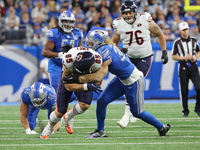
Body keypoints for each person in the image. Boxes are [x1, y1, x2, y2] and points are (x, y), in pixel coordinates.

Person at [63, 27, 171, 138]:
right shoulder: (104, 48)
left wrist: (76, 79)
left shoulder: (104, 51)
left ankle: (162, 127)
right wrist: (72, 50)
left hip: (134, 81)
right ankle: (100, 131)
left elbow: (99, 76)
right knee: (101, 102)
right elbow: (86, 53)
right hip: (121, 79)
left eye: (91, 42)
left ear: (99, 42)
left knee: (137, 112)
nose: (89, 44)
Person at [111, 0, 168, 128]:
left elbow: (159, 34)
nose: (128, 15)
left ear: (135, 12)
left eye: (130, 12)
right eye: (125, 13)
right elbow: (113, 42)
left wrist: (164, 51)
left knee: (134, 83)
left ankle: (126, 115)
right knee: (129, 84)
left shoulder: (144, 19)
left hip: (144, 57)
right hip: (128, 58)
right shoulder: (118, 23)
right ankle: (132, 110)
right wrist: (120, 51)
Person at [40, 47, 102, 139]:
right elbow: (68, 87)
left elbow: (98, 80)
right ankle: (49, 127)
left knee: (85, 105)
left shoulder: (97, 61)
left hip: (87, 76)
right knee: (60, 111)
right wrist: (86, 86)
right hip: (71, 74)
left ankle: (69, 116)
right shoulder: (68, 60)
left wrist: (88, 82)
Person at [42, 10, 83, 93]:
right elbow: (44, 52)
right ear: (60, 22)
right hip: (56, 65)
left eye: (70, 22)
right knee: (57, 92)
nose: (68, 24)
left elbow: (81, 49)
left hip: (71, 67)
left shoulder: (77, 33)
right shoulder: (54, 33)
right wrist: (59, 55)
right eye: (65, 21)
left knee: (73, 94)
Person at [171, 22, 200, 117]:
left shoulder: (194, 41)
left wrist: (195, 57)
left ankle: (198, 107)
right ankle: (185, 110)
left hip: (193, 66)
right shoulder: (177, 42)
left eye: (186, 29)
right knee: (184, 90)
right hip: (183, 67)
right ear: (180, 31)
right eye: (183, 30)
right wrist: (184, 57)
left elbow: (199, 51)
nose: (186, 31)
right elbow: (173, 56)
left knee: (199, 87)